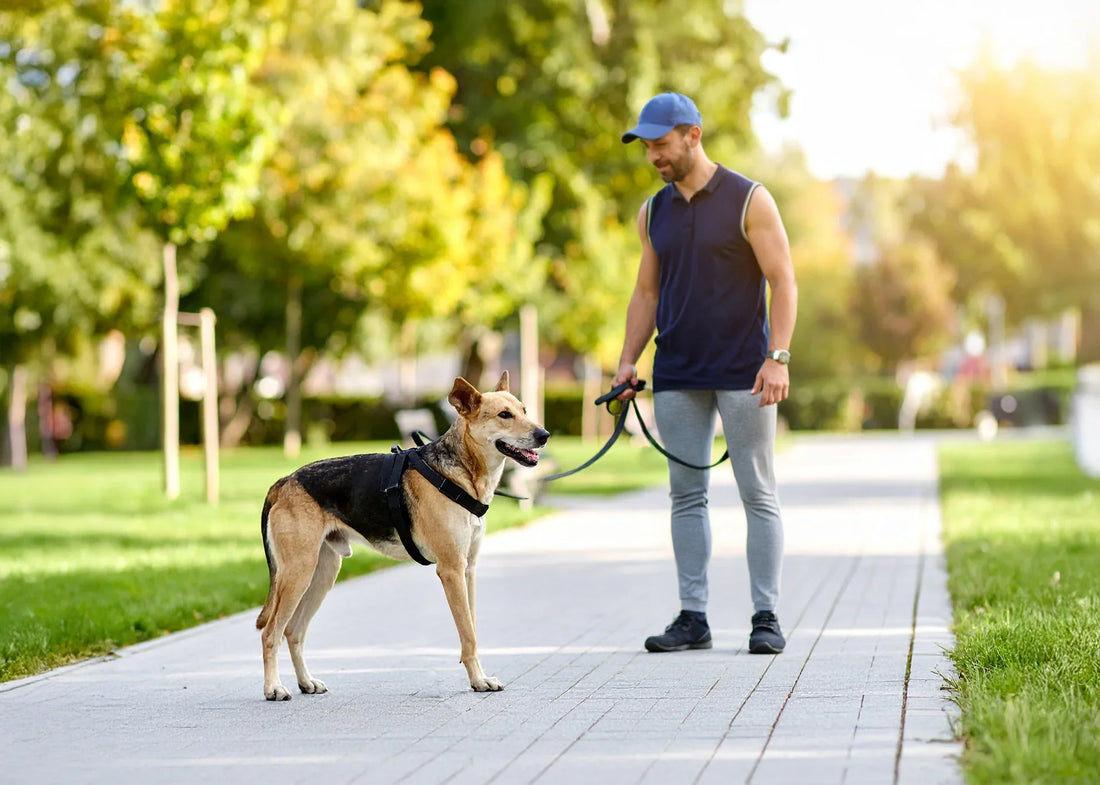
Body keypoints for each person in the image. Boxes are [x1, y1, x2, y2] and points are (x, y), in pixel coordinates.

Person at [613, 92, 797, 655]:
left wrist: (779, 356)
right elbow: (646, 292)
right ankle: (693, 617)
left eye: (661, 145)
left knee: (757, 493)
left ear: (693, 134)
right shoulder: (654, 210)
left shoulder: (750, 199)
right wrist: (627, 361)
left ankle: (765, 616)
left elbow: (783, 280)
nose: (653, 157)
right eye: (646, 147)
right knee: (685, 495)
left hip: (745, 371)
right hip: (676, 374)